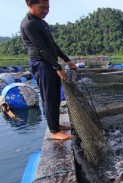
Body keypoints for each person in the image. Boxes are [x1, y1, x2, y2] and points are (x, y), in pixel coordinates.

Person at [21, 0, 77, 139]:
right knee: (49, 98)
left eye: (48, 8)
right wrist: (58, 67)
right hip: (41, 64)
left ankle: (56, 125)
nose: (46, 11)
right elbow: (41, 49)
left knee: (56, 97)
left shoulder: (42, 22)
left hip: (50, 63)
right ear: (30, 4)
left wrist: (67, 60)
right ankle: (54, 131)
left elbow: (52, 45)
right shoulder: (29, 23)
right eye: (42, 8)